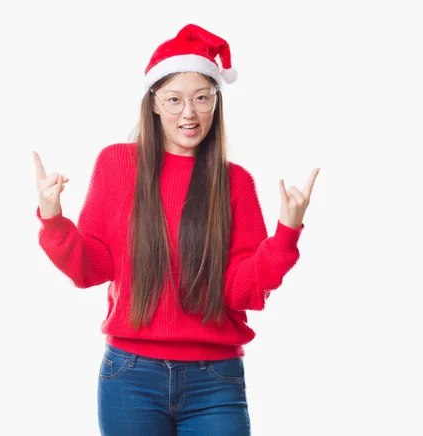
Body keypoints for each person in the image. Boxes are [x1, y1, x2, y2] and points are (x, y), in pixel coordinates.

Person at [33, 23, 319, 435]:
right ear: (153, 103)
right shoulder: (116, 164)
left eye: (203, 98)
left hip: (215, 381)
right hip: (129, 378)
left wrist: (287, 233)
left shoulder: (235, 182)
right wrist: (53, 218)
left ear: (215, 103)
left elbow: (243, 292)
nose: (189, 112)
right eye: (175, 99)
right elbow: (89, 269)